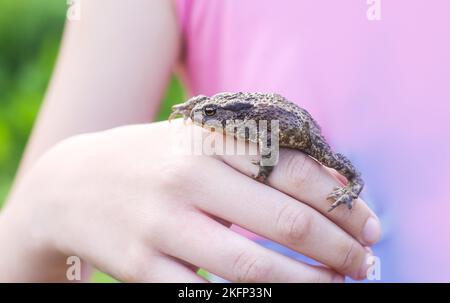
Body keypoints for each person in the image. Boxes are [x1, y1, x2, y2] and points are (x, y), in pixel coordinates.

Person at [1, 0, 447, 282]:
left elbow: (268, 139)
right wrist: (51, 193)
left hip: (299, 132)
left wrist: (267, 167)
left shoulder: (249, 122)